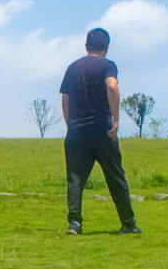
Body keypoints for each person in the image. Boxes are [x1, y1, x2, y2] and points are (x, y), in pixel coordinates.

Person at [58, 29, 140, 234]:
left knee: (75, 179)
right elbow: (112, 87)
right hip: (102, 130)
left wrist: (71, 127)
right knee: (115, 176)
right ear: (107, 47)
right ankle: (128, 223)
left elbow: (65, 100)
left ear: (86, 46)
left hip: (77, 130)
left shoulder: (72, 68)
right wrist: (116, 119)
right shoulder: (107, 65)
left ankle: (75, 223)